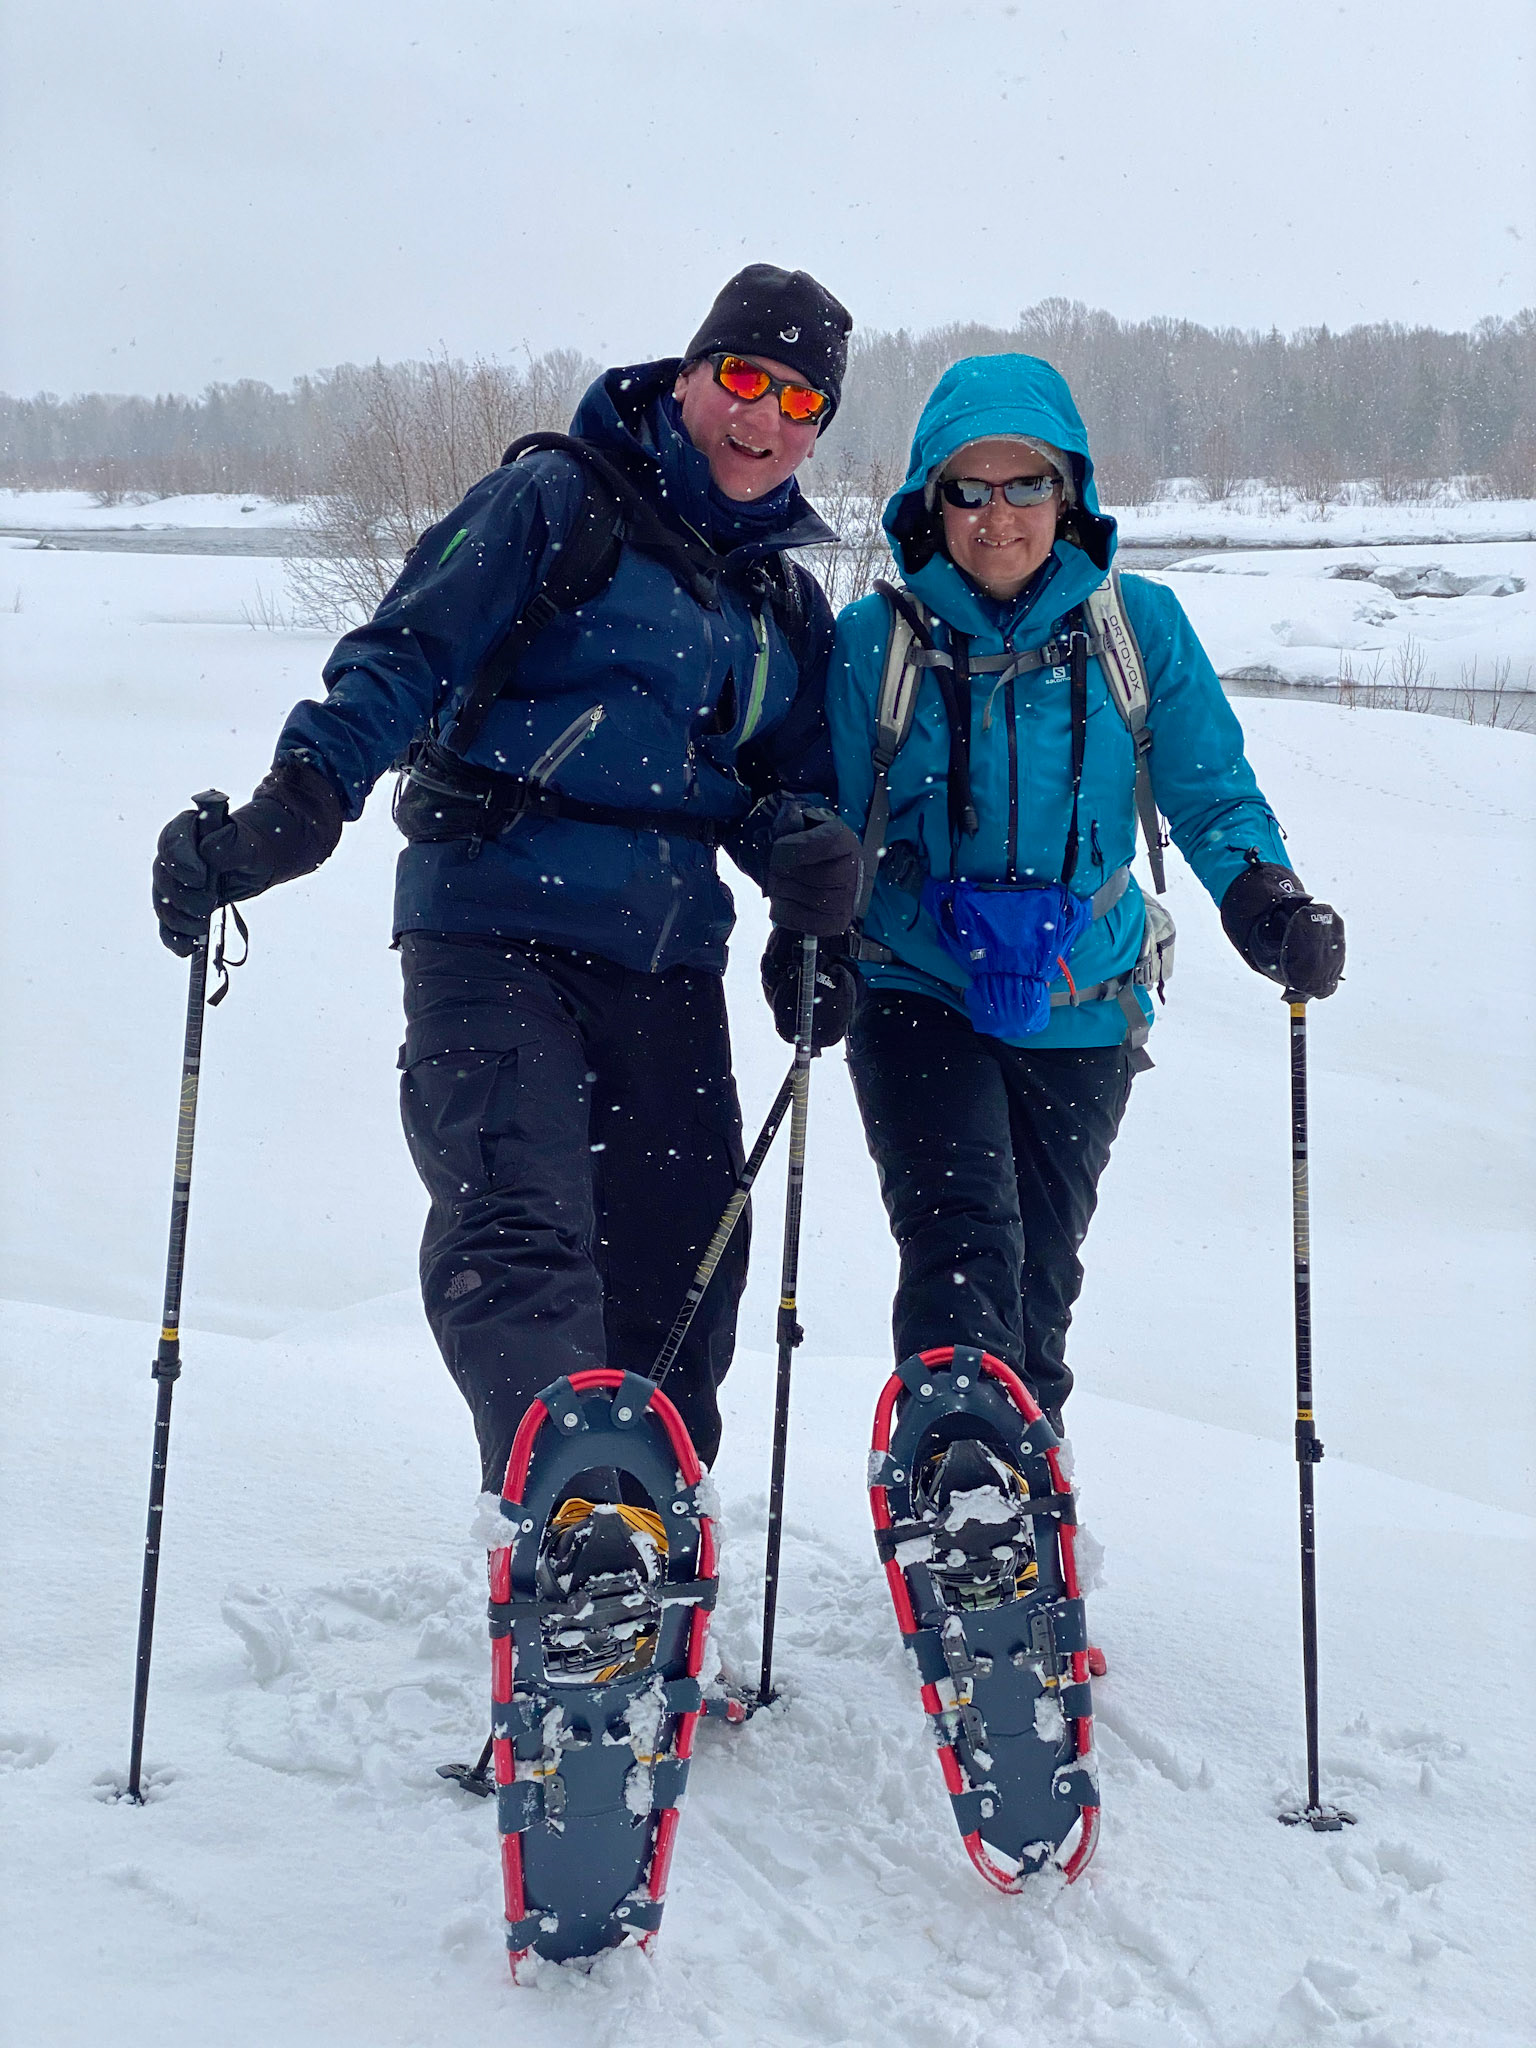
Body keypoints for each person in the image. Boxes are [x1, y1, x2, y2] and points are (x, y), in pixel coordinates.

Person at [152, 265, 864, 1514]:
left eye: (799, 401)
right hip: (494, 928)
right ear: (689, 375)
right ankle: (574, 1518)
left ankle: (653, 1522)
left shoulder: (780, 603)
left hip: (665, 956)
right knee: (520, 1237)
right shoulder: (557, 501)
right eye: (744, 378)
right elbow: (407, 649)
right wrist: (307, 792)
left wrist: (812, 904)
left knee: (687, 1257)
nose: (763, 418)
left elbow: (784, 788)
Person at [821, 353, 1344, 1432]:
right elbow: (822, 821)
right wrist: (810, 930)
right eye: (969, 487)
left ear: (1070, 495)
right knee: (961, 1245)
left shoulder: (1136, 627)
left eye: (1027, 485)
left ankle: (1023, 1506)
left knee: (1036, 1288)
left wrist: (1266, 896)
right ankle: (957, 1482)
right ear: (932, 498)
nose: (998, 515)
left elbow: (1211, 792)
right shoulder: (876, 643)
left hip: (1087, 999)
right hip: (917, 982)